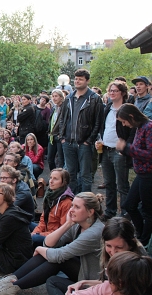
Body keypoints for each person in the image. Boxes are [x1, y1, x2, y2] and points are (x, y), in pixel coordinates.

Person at [0, 192, 105, 295]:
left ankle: (11, 286)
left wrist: (40, 249)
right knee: (48, 255)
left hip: (94, 280)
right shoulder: (78, 225)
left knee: (56, 258)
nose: (71, 210)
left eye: (77, 207)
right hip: (82, 270)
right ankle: (8, 282)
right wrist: (67, 224)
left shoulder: (94, 232)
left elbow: (58, 254)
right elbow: (49, 243)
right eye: (72, 206)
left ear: (90, 212)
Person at [47, 217, 147, 295]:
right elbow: (108, 283)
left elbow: (114, 287)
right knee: (52, 279)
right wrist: (84, 282)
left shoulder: (137, 264)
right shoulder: (106, 254)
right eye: (108, 246)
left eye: (119, 247)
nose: (113, 251)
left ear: (130, 244)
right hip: (103, 287)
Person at [59, 69, 103, 194]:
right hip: (68, 141)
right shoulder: (69, 98)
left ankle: (85, 203)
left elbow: (98, 122)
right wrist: (62, 137)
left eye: (81, 79)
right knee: (70, 174)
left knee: (85, 175)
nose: (77, 81)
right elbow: (63, 118)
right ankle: (72, 201)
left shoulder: (94, 99)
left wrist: (89, 140)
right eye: (76, 79)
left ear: (87, 81)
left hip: (84, 143)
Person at [115, 103, 152, 246]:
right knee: (129, 205)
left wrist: (127, 148)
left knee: (148, 211)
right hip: (141, 174)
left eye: (124, 121)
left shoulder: (148, 127)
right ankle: (141, 232)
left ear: (131, 116)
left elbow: (149, 154)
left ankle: (144, 240)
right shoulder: (139, 127)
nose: (124, 125)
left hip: (148, 175)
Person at [98, 82, 132, 220]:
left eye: (115, 91)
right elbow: (103, 127)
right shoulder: (107, 108)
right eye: (110, 90)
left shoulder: (127, 109)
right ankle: (110, 211)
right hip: (105, 149)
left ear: (122, 93)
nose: (112, 93)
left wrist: (125, 146)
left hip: (119, 152)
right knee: (109, 183)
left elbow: (132, 130)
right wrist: (99, 139)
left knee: (122, 185)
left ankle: (125, 213)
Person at [30, 168, 74, 248]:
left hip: (58, 238)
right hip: (48, 229)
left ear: (64, 182)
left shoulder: (67, 202)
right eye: (50, 178)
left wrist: (38, 234)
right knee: (25, 223)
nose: (51, 181)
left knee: (34, 238)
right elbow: (43, 220)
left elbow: (63, 230)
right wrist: (36, 231)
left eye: (55, 179)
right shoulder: (50, 196)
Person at [48, 89, 65, 170]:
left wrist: (61, 134)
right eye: (53, 96)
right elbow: (51, 122)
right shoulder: (54, 108)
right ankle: (53, 175)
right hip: (52, 136)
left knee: (60, 159)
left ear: (61, 97)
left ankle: (61, 178)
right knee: (50, 159)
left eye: (56, 96)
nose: (54, 98)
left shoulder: (65, 108)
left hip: (60, 136)